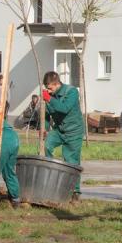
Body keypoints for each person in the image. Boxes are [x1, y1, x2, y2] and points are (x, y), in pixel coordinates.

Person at [43, 71, 84, 200]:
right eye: (46, 88)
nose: (48, 91)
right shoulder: (51, 95)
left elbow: (64, 108)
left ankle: (75, 192)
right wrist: (44, 128)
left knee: (71, 160)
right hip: (59, 130)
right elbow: (46, 114)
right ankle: (51, 175)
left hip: (74, 131)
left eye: (50, 88)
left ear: (56, 84)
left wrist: (49, 99)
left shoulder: (71, 92)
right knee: (47, 145)